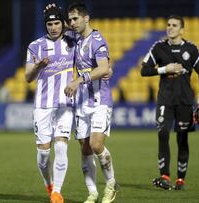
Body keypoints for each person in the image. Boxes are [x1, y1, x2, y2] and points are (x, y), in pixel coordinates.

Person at [141, 15, 199, 190]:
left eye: (174, 25)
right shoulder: (159, 47)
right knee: (163, 133)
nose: (170, 28)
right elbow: (144, 70)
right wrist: (165, 69)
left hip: (185, 101)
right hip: (165, 100)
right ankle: (164, 176)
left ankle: (180, 179)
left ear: (182, 30)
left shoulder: (191, 49)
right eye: (168, 25)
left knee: (182, 138)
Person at [64, 3, 118, 203]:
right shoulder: (76, 38)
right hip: (81, 104)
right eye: (70, 19)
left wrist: (79, 80)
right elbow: (60, 26)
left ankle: (111, 185)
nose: (72, 22)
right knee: (84, 149)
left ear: (86, 18)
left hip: (99, 101)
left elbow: (104, 68)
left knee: (96, 145)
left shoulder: (97, 40)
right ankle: (92, 193)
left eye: (75, 18)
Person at [24, 6, 76, 203]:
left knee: (61, 147)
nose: (53, 27)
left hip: (65, 105)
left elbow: (83, 25)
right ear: (45, 25)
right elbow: (28, 78)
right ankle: (49, 184)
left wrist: (63, 12)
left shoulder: (72, 42)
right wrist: (38, 66)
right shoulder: (35, 45)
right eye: (49, 24)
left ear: (62, 23)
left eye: (56, 23)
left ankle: (57, 193)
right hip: (43, 106)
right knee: (44, 154)